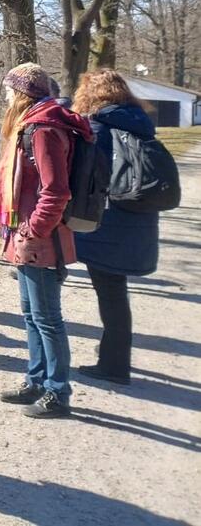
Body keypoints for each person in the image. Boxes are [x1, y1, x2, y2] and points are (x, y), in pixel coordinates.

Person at [0, 63, 92, 419]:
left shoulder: (43, 129)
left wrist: (32, 230)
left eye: (8, 91)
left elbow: (55, 191)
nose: (5, 96)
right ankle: (36, 379)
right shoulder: (32, 124)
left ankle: (57, 391)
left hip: (40, 238)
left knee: (47, 317)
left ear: (21, 94)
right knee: (31, 315)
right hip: (29, 236)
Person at [72, 69, 161, 385]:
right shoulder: (141, 126)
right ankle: (114, 354)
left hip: (107, 224)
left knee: (110, 295)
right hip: (138, 221)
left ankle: (114, 364)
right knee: (115, 293)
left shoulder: (96, 128)